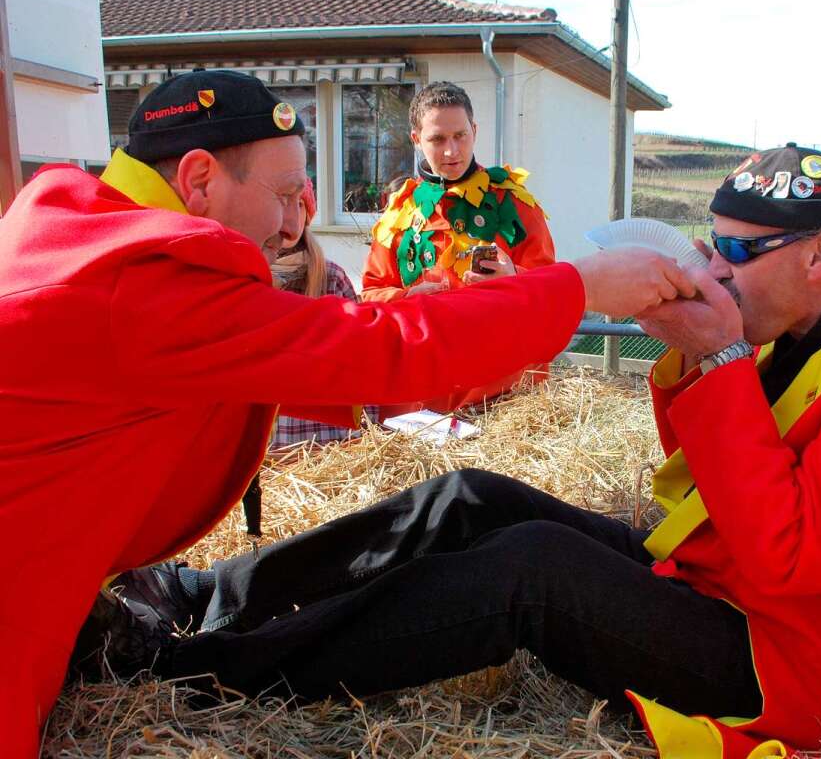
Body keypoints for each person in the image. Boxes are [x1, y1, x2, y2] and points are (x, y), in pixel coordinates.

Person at [104, 145, 821, 758]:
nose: (714, 269)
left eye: (734, 251)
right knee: (473, 495)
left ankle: (198, 672)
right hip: (724, 587)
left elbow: (789, 552)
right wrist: (695, 357)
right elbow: (703, 473)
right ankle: (205, 595)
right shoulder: (810, 321)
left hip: (781, 663)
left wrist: (721, 360)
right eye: (709, 246)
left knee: (530, 570)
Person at [0, 68, 691, 758]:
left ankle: (191, 606)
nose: (291, 223)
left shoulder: (79, 231)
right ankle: (201, 663)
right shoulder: (142, 281)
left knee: (464, 500)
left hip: (65, 589)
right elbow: (382, 347)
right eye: (281, 195)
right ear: (200, 179)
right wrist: (577, 286)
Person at [361, 81, 556, 413]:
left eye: (460, 136)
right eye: (437, 139)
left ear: (474, 131)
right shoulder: (398, 216)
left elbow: (554, 294)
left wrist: (515, 279)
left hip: (506, 404)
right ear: (416, 140)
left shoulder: (515, 205)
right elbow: (370, 296)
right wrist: (407, 299)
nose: (451, 151)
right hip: (421, 407)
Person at [269, 179, 378, 448]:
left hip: (328, 443)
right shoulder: (246, 280)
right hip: (273, 449)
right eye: (282, 203)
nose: (291, 217)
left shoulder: (331, 278)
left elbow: (364, 362)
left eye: (300, 205)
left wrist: (368, 434)